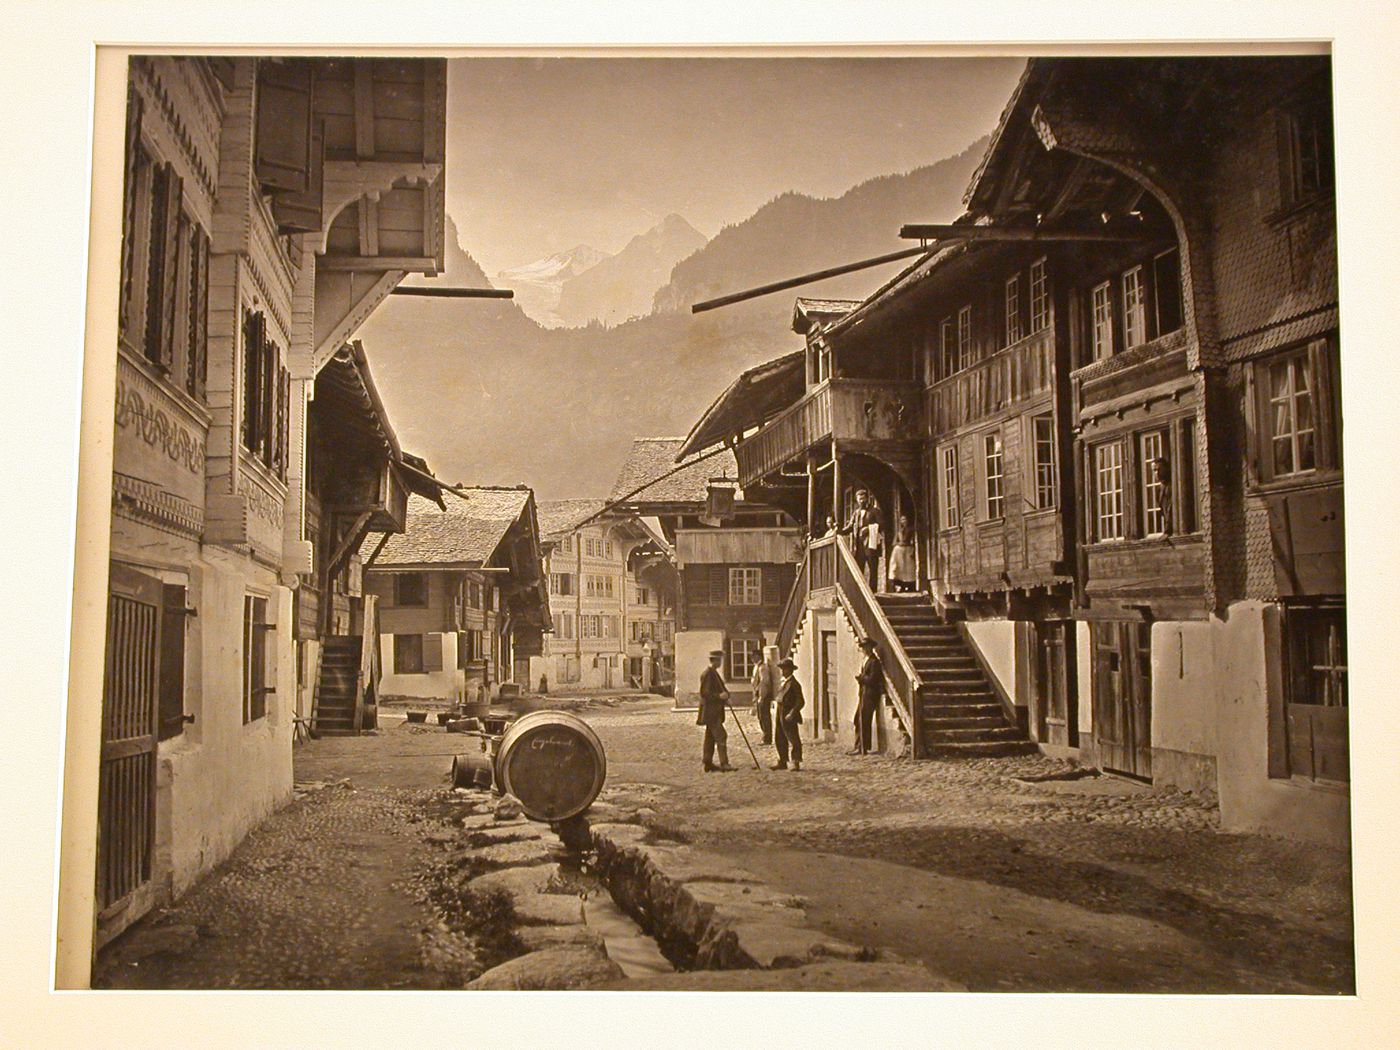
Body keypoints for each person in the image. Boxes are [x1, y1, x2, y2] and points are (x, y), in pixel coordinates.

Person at [697, 650, 735, 772]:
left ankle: (707, 763)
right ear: (715, 660)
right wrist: (720, 696)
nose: (721, 662)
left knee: (710, 737)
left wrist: (725, 697)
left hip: (714, 711)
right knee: (721, 735)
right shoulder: (708, 674)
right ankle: (724, 764)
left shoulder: (713, 673)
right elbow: (705, 693)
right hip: (711, 712)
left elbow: (721, 689)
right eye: (719, 660)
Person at [851, 637, 884, 755]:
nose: (864, 649)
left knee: (864, 720)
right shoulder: (865, 660)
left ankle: (863, 747)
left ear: (871, 647)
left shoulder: (874, 662)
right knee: (858, 719)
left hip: (870, 694)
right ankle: (859, 745)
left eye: (866, 647)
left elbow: (873, 679)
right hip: (863, 693)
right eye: (863, 647)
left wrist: (861, 678)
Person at [842, 489, 880, 590]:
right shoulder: (856, 513)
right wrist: (839, 531)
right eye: (859, 499)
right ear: (857, 500)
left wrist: (869, 528)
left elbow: (882, 525)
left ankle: (873, 592)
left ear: (867, 499)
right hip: (858, 546)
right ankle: (861, 591)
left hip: (871, 544)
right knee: (859, 569)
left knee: (873, 569)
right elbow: (850, 527)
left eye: (863, 499)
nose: (861, 501)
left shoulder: (874, 511)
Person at [772, 657, 805, 771]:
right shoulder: (783, 682)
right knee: (779, 736)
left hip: (788, 713)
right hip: (780, 711)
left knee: (793, 737)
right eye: (782, 669)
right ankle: (782, 761)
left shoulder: (794, 684)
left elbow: (801, 701)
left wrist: (792, 713)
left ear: (790, 670)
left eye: (785, 669)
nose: (783, 671)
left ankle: (796, 761)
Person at [750, 645, 778, 745]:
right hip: (757, 695)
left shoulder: (763, 668)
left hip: (763, 696)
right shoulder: (756, 667)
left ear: (758, 656)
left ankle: (767, 738)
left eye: (753, 656)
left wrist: (761, 696)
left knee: (764, 716)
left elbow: (764, 683)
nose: (752, 658)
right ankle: (765, 735)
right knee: (760, 716)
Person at [890, 514, 917, 593]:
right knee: (900, 569)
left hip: (908, 549)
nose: (903, 521)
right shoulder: (899, 531)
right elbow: (895, 541)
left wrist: (913, 550)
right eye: (902, 520)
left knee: (908, 569)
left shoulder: (911, 530)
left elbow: (913, 541)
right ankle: (901, 586)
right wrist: (897, 544)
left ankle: (910, 586)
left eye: (905, 519)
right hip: (899, 551)